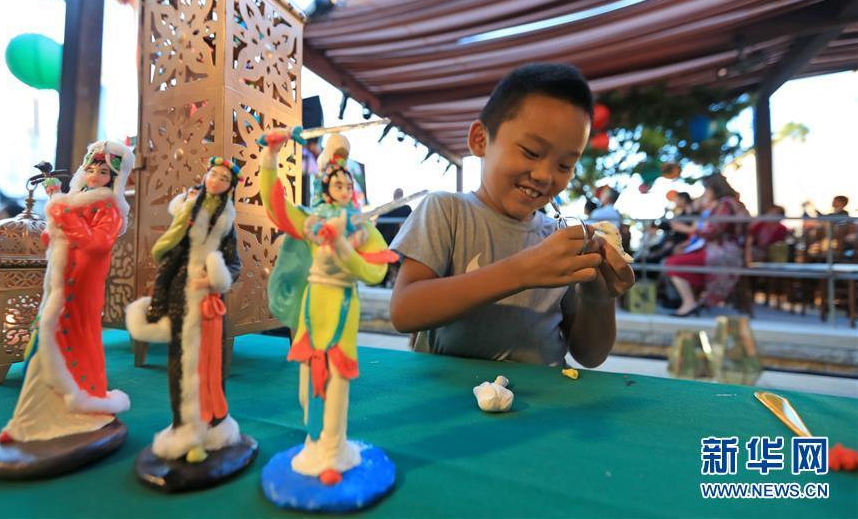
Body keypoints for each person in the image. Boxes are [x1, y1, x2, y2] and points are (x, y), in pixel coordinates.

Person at [389, 63, 635, 367]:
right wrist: (521, 271)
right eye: (531, 152)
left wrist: (598, 298)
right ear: (480, 140)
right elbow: (404, 312)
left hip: (543, 394)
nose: (545, 175)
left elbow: (589, 355)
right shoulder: (445, 211)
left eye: (564, 165)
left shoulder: (561, 242)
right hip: (451, 392)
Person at [260, 129, 394, 485]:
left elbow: (376, 270)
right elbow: (277, 207)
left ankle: (334, 450)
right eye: (338, 184)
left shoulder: (361, 228)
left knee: (336, 379)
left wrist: (346, 250)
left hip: (342, 307)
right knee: (307, 379)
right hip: (312, 305)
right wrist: (270, 157)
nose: (345, 190)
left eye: (348, 185)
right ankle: (314, 440)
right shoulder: (312, 222)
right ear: (325, 186)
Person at [1, 141, 134, 443]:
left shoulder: (110, 207)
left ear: (113, 178)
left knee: (72, 338)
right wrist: (57, 205)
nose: (95, 175)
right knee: (47, 339)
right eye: (91, 168)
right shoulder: (77, 200)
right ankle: (29, 418)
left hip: (81, 284)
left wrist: (61, 209)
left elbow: (97, 244)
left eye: (103, 171)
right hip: (61, 279)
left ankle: (76, 405)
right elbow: (55, 235)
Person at [126, 156, 243, 463]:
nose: (216, 181)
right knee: (181, 360)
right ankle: (184, 425)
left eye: (224, 179)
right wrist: (158, 305)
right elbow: (168, 264)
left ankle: (214, 422)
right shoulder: (187, 214)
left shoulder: (227, 222)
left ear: (230, 187)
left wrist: (214, 279)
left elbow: (234, 263)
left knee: (213, 360)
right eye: (213, 174)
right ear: (205, 176)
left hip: (211, 300)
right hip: (182, 294)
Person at [663, 174, 749, 316]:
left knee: (672, 263)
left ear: (713, 189)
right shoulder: (729, 203)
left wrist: (686, 229)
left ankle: (689, 303)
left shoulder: (725, 204)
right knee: (675, 260)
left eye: (706, 189)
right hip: (723, 250)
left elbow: (713, 231)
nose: (705, 193)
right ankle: (691, 302)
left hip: (722, 253)